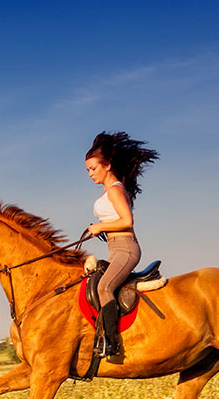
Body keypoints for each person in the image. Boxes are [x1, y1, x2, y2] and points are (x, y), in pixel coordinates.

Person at [85, 131, 158, 359]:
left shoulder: (115, 189)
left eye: (93, 169)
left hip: (126, 249)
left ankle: (112, 343)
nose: (90, 174)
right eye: (88, 170)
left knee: (104, 287)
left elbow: (127, 221)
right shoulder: (109, 191)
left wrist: (100, 227)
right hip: (114, 248)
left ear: (107, 165)